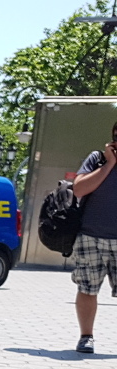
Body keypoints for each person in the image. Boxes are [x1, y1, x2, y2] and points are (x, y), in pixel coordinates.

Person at [71, 120, 117, 354]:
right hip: (92, 236)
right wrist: (109, 165)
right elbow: (78, 189)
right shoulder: (97, 159)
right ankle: (86, 336)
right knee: (87, 288)